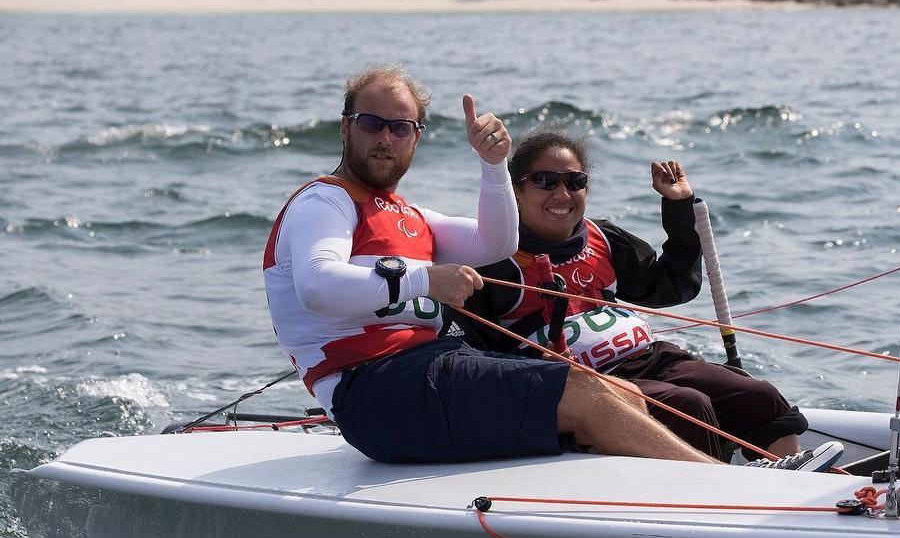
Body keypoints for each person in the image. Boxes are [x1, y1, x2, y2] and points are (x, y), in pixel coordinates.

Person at [263, 64, 839, 472]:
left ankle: (734, 481)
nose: (387, 138)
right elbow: (317, 287)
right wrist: (423, 279)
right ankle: (734, 493)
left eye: (402, 127)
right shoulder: (325, 201)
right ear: (345, 127)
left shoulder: (407, 215)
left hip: (430, 366)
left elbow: (496, 239)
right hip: (375, 390)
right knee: (593, 395)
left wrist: (492, 167)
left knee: (624, 396)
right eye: (372, 123)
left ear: (416, 138)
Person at [441, 129, 831, 467]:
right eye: (545, 181)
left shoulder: (604, 238)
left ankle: (795, 489)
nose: (563, 193)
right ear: (517, 191)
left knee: (756, 395)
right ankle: (721, 500)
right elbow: (469, 357)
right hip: (588, 386)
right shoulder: (491, 262)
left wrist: (678, 206)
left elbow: (673, 285)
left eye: (575, 181)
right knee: (689, 406)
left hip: (650, 359)